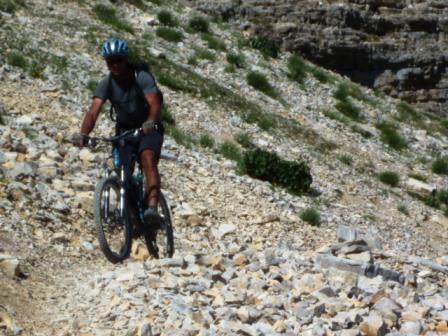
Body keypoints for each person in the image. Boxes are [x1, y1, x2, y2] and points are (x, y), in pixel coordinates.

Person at [74, 38, 164, 223]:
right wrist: (84, 134)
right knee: (123, 169)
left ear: (126, 59)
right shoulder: (106, 83)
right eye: (110, 61)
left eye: (119, 60)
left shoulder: (141, 76)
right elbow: (94, 110)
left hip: (148, 127)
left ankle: (153, 207)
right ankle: (132, 213)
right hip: (125, 129)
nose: (115, 65)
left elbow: (154, 102)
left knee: (147, 157)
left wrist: (150, 121)